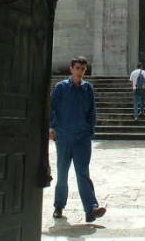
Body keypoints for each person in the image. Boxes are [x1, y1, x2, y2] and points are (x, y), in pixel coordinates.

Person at [49, 57, 106, 223]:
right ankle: (59, 206)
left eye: (83, 69)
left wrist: (90, 130)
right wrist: (52, 127)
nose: (80, 72)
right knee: (62, 173)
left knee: (83, 173)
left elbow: (92, 111)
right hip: (64, 136)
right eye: (78, 68)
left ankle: (91, 209)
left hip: (82, 137)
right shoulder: (61, 88)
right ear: (71, 69)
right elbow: (52, 108)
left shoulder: (87, 88)